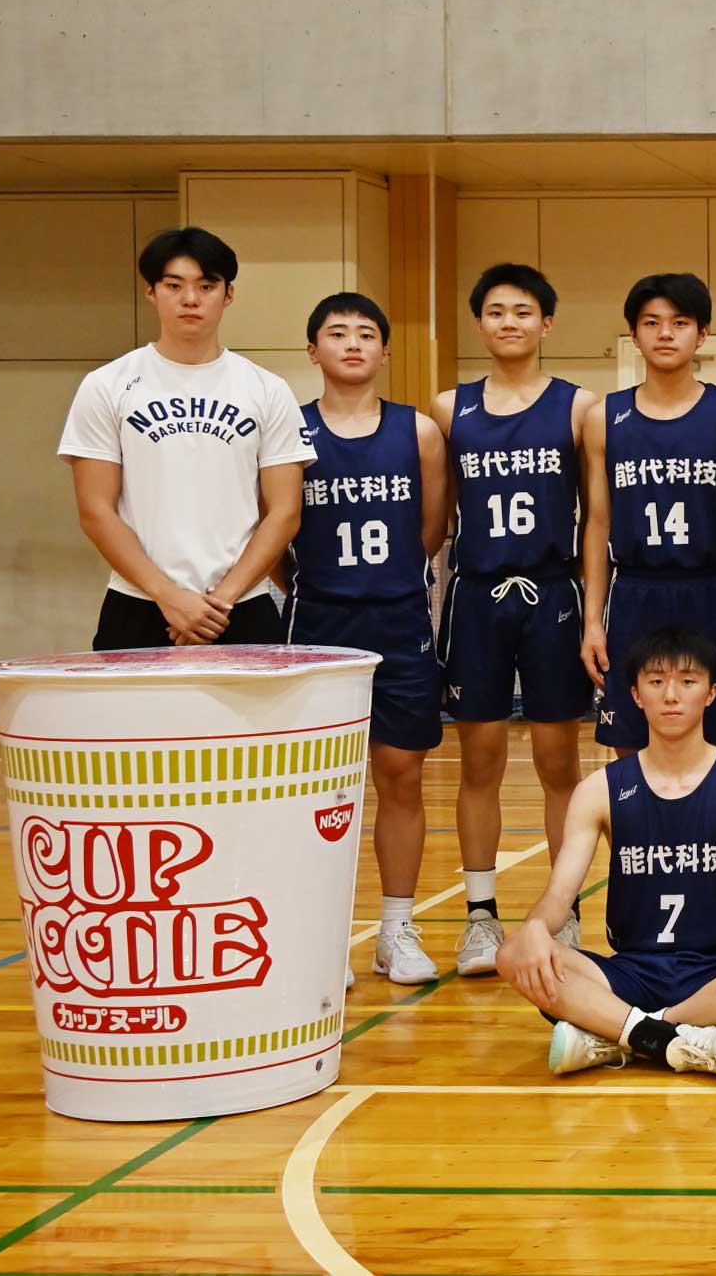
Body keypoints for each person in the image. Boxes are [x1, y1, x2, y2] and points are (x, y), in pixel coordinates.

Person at [499, 626, 716, 1080]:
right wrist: (534, 928)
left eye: (688, 681)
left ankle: (625, 1033)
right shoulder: (600, 790)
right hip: (631, 972)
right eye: (656, 681)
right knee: (514, 953)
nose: (671, 696)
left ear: (711, 693)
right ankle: (679, 1039)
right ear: (636, 694)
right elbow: (558, 896)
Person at [435, 262, 597, 976]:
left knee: (561, 763)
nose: (510, 322)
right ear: (479, 323)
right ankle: (480, 918)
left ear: (546, 323)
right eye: (496, 311)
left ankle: (564, 915)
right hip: (478, 597)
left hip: (553, 593)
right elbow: (439, 515)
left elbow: (595, 514)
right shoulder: (450, 409)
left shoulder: (578, 407)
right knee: (479, 761)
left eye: (523, 311)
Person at [283, 293, 450, 985]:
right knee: (319, 786)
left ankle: (395, 930)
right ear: (313, 350)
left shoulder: (419, 433)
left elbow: (432, 529)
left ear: (385, 351)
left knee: (401, 775)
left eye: (366, 334)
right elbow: (274, 530)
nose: (352, 343)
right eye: (336, 332)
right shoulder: (288, 430)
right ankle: (320, 935)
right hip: (318, 624)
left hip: (399, 621)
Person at [61, 227, 312, 649]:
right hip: (138, 600)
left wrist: (220, 601)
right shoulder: (107, 385)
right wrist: (169, 596)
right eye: (174, 285)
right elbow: (95, 510)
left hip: (240, 602)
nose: (190, 299)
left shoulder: (267, 389)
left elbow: (284, 511)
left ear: (228, 294)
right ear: (151, 292)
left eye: (206, 286)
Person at [581, 273, 716, 753]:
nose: (665, 333)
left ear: (702, 333)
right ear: (633, 332)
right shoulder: (604, 418)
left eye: (680, 323)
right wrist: (592, 620)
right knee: (630, 744)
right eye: (651, 322)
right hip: (634, 592)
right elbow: (597, 525)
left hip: (712, 590)